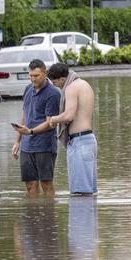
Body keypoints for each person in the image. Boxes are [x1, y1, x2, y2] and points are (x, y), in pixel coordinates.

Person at [11, 59, 61, 198]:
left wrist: (31, 131)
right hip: (27, 146)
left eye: (36, 76)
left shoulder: (53, 93)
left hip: (44, 146)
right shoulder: (28, 89)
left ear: (45, 73)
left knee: (46, 183)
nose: (33, 79)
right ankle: (34, 216)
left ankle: (49, 216)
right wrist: (17, 142)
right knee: (30, 184)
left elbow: (50, 122)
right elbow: (25, 115)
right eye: (30, 75)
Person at [46, 63, 97, 196]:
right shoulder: (85, 85)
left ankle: (80, 217)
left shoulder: (71, 88)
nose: (55, 85)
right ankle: (88, 217)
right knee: (87, 190)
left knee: (79, 192)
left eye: (55, 82)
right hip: (88, 140)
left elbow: (68, 116)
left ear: (62, 79)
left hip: (79, 141)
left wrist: (53, 120)